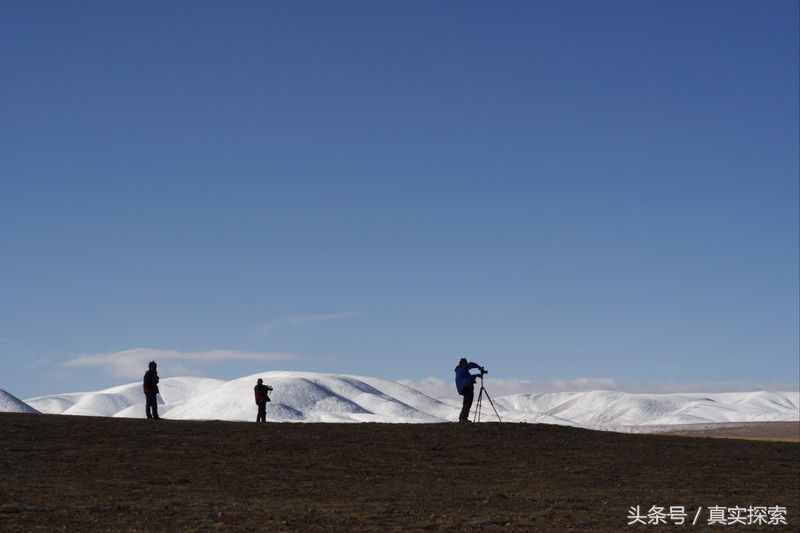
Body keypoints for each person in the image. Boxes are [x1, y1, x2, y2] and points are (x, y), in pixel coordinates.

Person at [454, 357, 485, 423]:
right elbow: (467, 378)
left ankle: (463, 418)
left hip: (466, 388)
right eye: (465, 363)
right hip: (465, 388)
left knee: (467, 403)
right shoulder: (461, 370)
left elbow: (470, 365)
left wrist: (478, 368)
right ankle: (463, 418)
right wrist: (477, 374)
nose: (466, 365)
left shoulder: (462, 369)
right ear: (462, 364)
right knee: (467, 403)